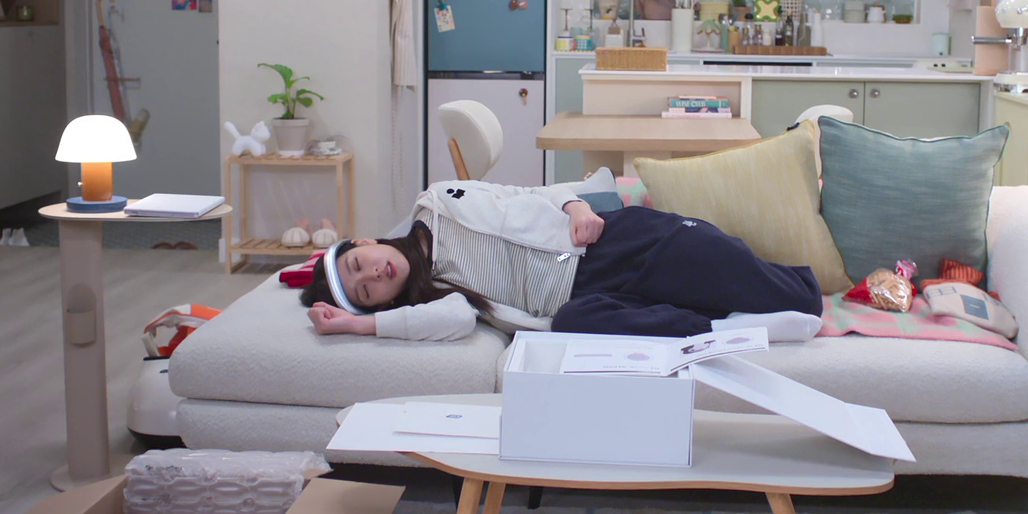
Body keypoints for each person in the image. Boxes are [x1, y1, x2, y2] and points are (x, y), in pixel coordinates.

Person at [301, 175, 823, 342]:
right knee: (573, 323)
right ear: (383, 303)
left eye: (359, 264)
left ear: (363, 242)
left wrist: (575, 206)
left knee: (800, 298)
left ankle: (755, 303)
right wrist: (357, 325)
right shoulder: (437, 297)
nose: (374, 274)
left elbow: (526, 190)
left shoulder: (439, 201)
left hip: (606, 246)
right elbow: (456, 322)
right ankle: (725, 328)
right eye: (367, 291)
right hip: (590, 299)